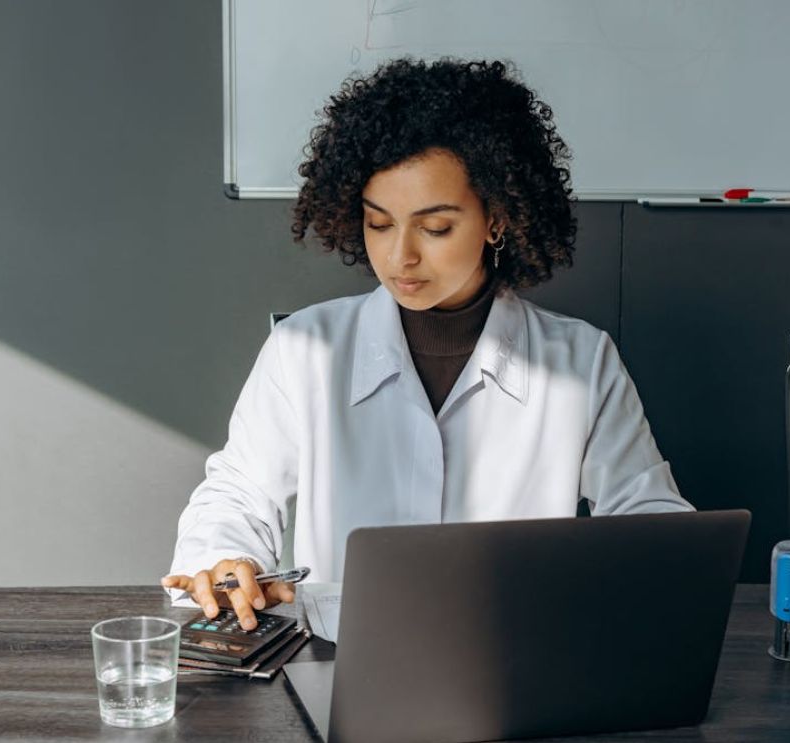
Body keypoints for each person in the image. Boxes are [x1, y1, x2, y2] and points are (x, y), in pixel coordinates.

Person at [161, 58, 692, 630]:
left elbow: (652, 519)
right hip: (340, 660)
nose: (399, 257)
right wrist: (223, 559)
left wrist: (579, 585)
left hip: (513, 665)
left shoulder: (580, 361)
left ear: (496, 219)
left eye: (435, 228)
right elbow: (238, 493)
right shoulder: (304, 348)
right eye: (379, 223)